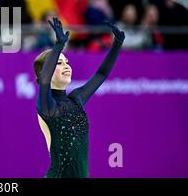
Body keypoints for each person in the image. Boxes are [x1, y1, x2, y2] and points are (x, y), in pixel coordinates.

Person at [34, 17, 125, 178]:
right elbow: (45, 81)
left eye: (67, 62)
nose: (66, 66)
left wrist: (117, 44)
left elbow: (101, 74)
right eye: (59, 63)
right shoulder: (48, 106)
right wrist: (58, 46)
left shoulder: (75, 99)